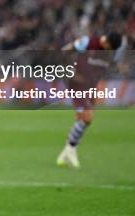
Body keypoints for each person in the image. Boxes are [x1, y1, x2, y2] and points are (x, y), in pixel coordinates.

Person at [56, 33, 126, 168]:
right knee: (87, 117)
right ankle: (70, 148)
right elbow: (65, 51)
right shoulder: (88, 42)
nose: (110, 52)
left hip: (90, 86)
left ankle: (67, 152)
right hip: (77, 83)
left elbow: (108, 66)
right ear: (105, 42)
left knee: (82, 120)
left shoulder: (109, 52)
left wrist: (118, 68)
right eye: (110, 48)